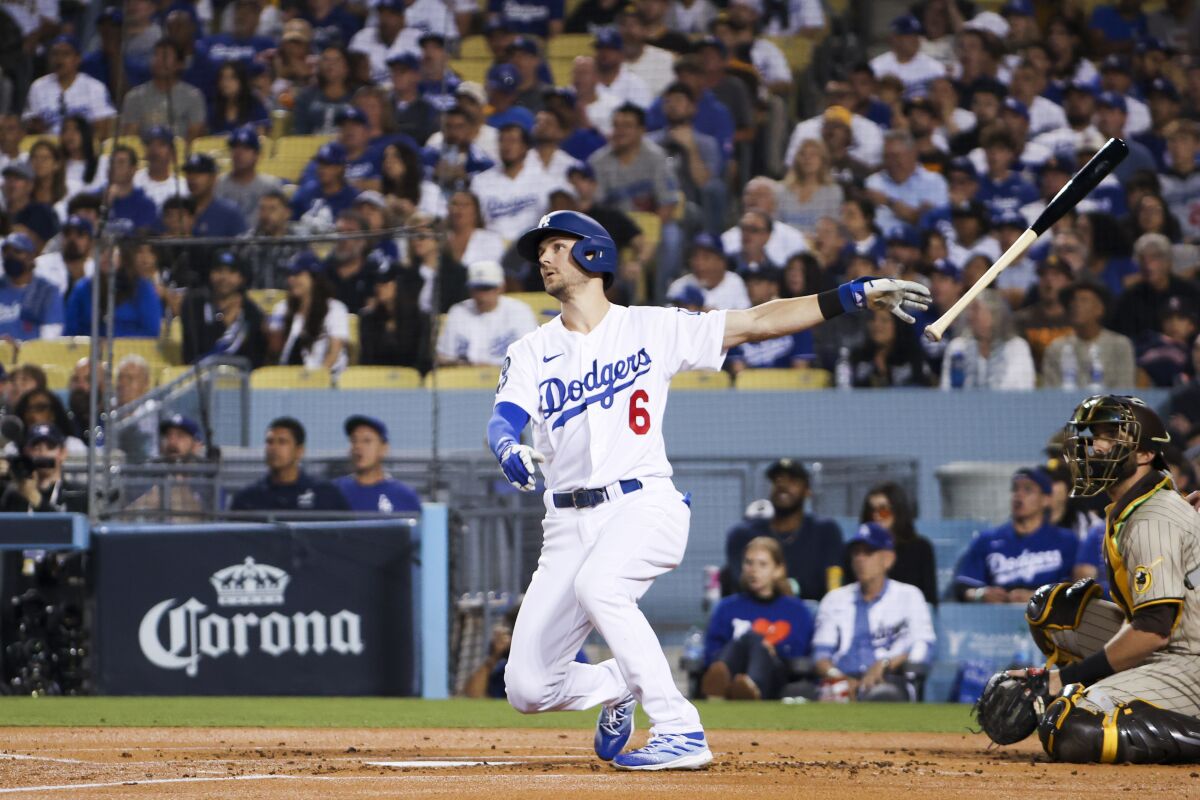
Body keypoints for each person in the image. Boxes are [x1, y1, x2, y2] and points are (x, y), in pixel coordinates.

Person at [487, 211, 928, 768]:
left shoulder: (651, 326)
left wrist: (852, 294)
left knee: (602, 586)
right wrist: (507, 447)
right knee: (527, 687)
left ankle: (680, 730)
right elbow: (504, 418)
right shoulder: (531, 349)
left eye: (554, 245)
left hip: (642, 503)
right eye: (540, 251)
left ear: (593, 254)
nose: (544, 258)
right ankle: (621, 680)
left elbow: (756, 323)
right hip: (566, 524)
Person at [1014, 395, 1200, 763]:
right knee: (1054, 611)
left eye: (1112, 437)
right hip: (1172, 641)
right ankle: (1124, 692)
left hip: (1189, 657)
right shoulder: (1140, 505)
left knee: (1070, 726)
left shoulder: (1153, 519)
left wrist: (1066, 680)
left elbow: (1153, 628)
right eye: (1095, 435)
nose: (1096, 446)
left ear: (1145, 454)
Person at [811, 523, 936, 702]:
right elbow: (821, 654)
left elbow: (924, 648)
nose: (860, 559)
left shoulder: (909, 596)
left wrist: (885, 664)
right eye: (856, 553)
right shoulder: (834, 599)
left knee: (882, 695)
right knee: (799, 693)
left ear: (888, 559)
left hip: (889, 679)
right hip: (842, 681)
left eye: (868, 552)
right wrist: (838, 677)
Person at [700, 536, 815, 701]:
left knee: (755, 639)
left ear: (778, 569)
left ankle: (750, 687)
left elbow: (799, 653)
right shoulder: (727, 607)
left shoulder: (796, 610)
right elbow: (711, 650)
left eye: (762, 564)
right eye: (749, 563)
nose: (754, 570)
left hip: (775, 677)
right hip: (734, 666)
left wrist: (773, 648)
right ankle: (723, 684)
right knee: (749, 639)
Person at [723, 458, 844, 601]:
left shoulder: (826, 531)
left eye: (793, 480)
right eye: (777, 480)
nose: (783, 485)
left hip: (815, 612)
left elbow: (835, 584)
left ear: (807, 491)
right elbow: (743, 582)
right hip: (760, 610)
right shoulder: (744, 534)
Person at [952, 467, 1078, 603]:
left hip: (1050, 618)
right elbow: (963, 587)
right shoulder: (987, 540)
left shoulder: (1067, 541)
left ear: (1046, 499)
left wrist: (1038, 596)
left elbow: (1074, 591)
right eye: (1015, 489)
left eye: (1028, 490)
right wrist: (980, 594)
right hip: (997, 616)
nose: (1019, 495)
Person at [229, 417, 350, 512]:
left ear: (299, 451)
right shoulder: (247, 498)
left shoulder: (326, 494)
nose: (274, 448)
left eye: (282, 442)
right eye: (269, 442)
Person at [437, 260, 536, 366]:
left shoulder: (519, 311)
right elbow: (444, 357)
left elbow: (531, 357)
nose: (481, 295)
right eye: (476, 289)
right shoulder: (458, 312)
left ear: (501, 288)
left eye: (487, 288)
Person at [179, 250, 267, 367]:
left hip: (239, 380)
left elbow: (255, 359)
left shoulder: (251, 312)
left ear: (241, 278)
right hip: (199, 378)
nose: (224, 277)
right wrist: (223, 323)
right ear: (210, 274)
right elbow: (192, 352)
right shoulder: (194, 305)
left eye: (231, 272)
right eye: (218, 271)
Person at [1041, 281, 1137, 389]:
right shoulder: (1056, 348)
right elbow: (1050, 393)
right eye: (1073, 300)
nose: (1075, 305)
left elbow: (1125, 390)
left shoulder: (1120, 345)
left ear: (1100, 309)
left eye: (1084, 300)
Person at [268, 251, 351, 375]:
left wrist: (317, 381)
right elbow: (274, 352)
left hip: (327, 382)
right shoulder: (281, 308)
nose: (291, 279)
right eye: (289, 275)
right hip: (287, 381)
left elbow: (334, 353)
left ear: (314, 277)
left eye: (297, 274)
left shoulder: (335, 309)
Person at [858, 482, 937, 606]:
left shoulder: (920, 548)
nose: (876, 516)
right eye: (871, 510)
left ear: (898, 511)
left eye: (883, 510)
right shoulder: (858, 551)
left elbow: (929, 599)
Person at [939, 289, 1035, 390]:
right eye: (969, 310)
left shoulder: (1017, 348)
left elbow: (1024, 390)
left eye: (975, 310)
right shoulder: (957, 348)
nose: (969, 316)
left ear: (994, 314)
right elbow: (946, 389)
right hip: (962, 405)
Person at [22, 35, 116, 137]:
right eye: (55, 54)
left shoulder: (95, 87)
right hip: (48, 147)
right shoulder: (38, 87)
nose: (59, 59)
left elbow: (105, 125)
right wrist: (34, 125)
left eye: (65, 54)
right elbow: (28, 125)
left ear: (78, 58)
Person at [64, 244, 162, 338]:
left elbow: (151, 332)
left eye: (112, 249)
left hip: (132, 352)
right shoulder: (82, 288)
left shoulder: (142, 288)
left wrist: (115, 342)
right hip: (88, 352)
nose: (107, 254)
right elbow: (69, 333)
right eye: (102, 249)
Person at [358, 252, 433, 372]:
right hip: (377, 385)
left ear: (399, 285)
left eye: (385, 282)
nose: (379, 287)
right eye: (377, 282)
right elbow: (366, 363)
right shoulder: (368, 319)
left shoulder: (420, 319)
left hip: (412, 386)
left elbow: (422, 362)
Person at [120, 40, 207, 141]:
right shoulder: (134, 96)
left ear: (179, 64)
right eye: (156, 55)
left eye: (165, 56)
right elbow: (131, 136)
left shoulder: (193, 96)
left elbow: (195, 134)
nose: (159, 60)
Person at [333, 415, 421, 513]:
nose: (358, 446)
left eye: (367, 441)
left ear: (384, 448)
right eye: (354, 441)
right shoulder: (335, 491)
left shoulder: (403, 495)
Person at [0, 424, 86, 513]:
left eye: (50, 447)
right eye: (36, 447)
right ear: (26, 452)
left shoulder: (76, 493)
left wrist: (36, 499)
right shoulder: (13, 496)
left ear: (63, 453)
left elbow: (68, 525)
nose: (43, 453)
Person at [0, 232, 62, 340]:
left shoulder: (46, 291)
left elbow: (52, 333)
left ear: (31, 257)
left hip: (33, 354)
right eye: (6, 252)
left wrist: (22, 349)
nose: (10, 256)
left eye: (17, 251)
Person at [850, 307, 933, 388]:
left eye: (884, 321)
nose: (876, 324)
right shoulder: (858, 358)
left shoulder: (915, 359)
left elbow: (927, 392)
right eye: (872, 319)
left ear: (898, 324)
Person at [215, 126, 282, 220]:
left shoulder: (270, 185)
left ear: (257, 155)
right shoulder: (218, 184)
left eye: (246, 148)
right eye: (235, 147)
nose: (239, 153)